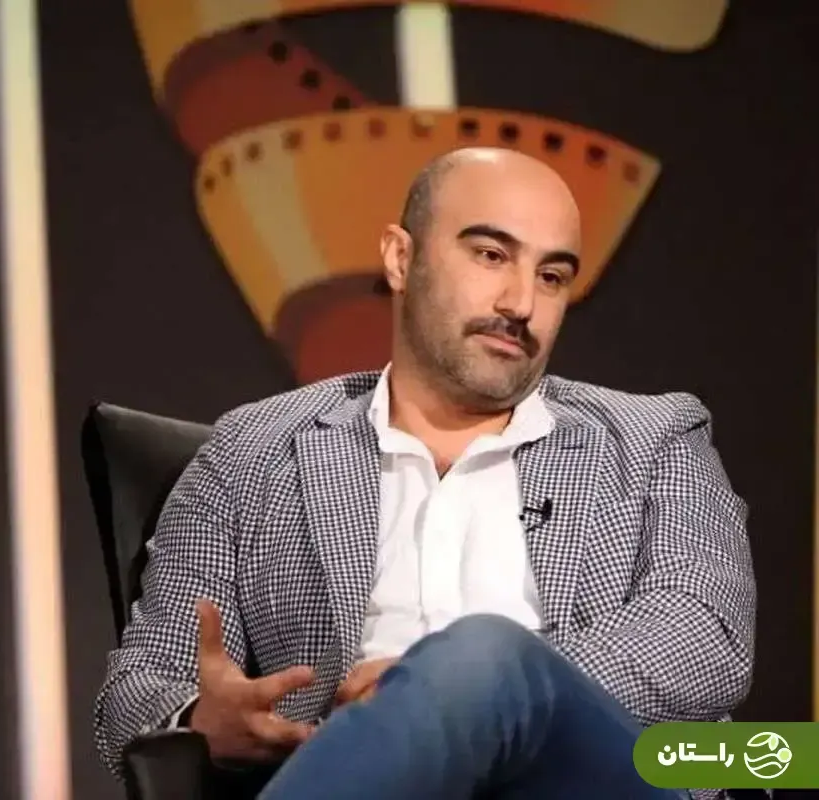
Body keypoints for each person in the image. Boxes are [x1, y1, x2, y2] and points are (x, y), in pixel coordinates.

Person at [93, 147, 756, 799]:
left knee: (485, 655)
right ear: (400, 258)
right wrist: (202, 721)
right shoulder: (254, 448)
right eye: (491, 255)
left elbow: (706, 642)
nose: (521, 302)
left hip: (605, 780)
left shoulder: (655, 437)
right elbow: (137, 688)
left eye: (552, 277)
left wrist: (445, 686)